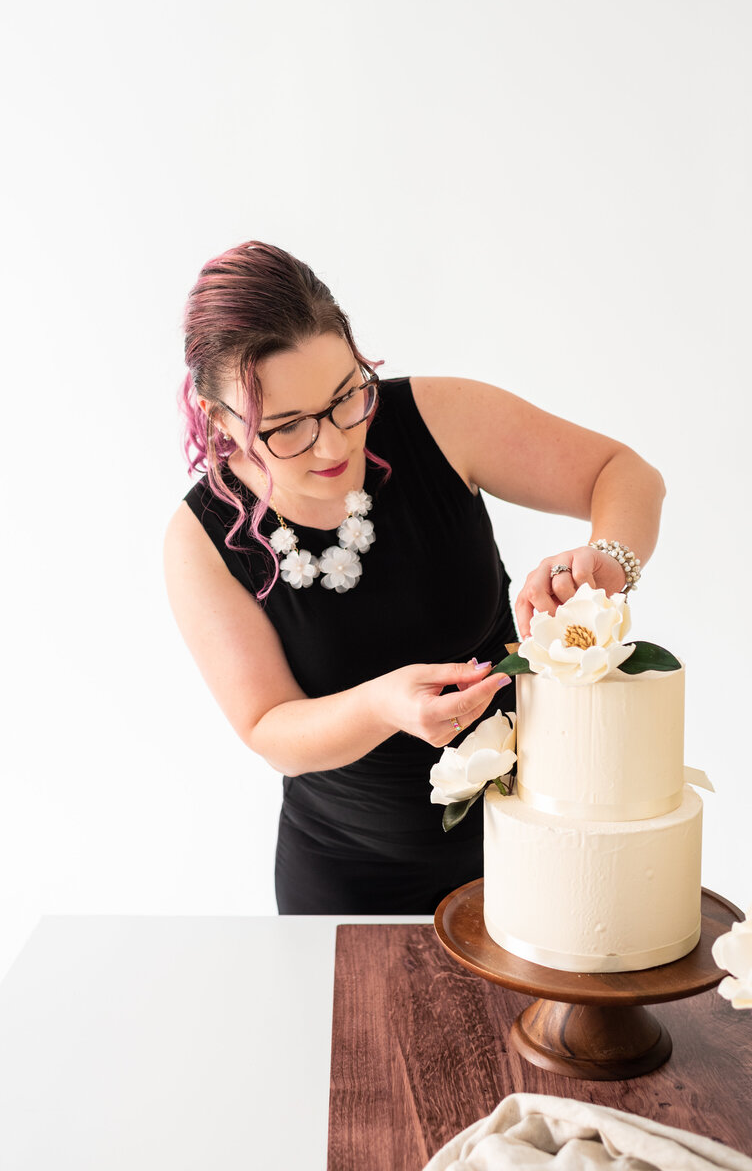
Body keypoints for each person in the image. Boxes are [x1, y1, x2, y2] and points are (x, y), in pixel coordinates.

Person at [164, 240, 666, 914]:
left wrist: (610, 561)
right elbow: (267, 726)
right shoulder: (200, 541)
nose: (337, 443)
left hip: (537, 843)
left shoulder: (440, 419)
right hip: (351, 878)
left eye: (346, 395)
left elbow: (626, 475)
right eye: (287, 428)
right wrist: (381, 706)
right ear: (217, 417)